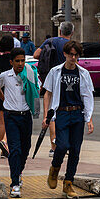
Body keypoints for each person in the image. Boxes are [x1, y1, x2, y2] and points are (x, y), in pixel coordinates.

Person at [43, 40, 95, 198]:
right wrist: (47, 115)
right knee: (61, 145)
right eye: (70, 54)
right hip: (62, 113)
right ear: (65, 54)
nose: (73, 58)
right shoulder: (55, 71)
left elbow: (87, 95)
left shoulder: (83, 73)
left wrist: (89, 118)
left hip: (77, 113)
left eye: (76, 55)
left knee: (75, 150)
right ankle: (55, 169)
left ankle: (68, 183)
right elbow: (48, 93)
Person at [0, 47, 38, 198]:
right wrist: (5, 100)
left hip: (26, 116)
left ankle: (18, 172)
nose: (20, 63)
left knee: (26, 148)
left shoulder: (30, 73)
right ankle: (14, 184)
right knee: (15, 149)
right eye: (17, 61)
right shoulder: (6, 76)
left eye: (23, 60)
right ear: (11, 62)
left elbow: (38, 88)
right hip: (11, 116)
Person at [34, 20, 75, 158]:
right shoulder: (71, 46)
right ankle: (65, 143)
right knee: (66, 111)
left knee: (52, 112)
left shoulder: (50, 41)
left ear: (60, 31)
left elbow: (35, 55)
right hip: (68, 80)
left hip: (51, 79)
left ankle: (53, 146)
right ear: (72, 33)